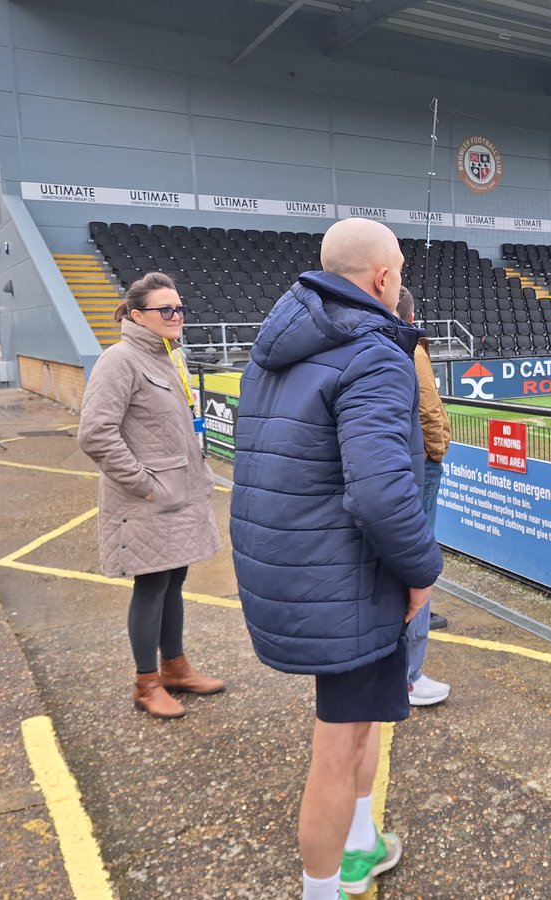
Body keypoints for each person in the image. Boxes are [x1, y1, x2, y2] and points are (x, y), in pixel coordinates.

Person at [230, 218, 442, 900]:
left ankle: (361, 843)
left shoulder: (279, 343)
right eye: (399, 269)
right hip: (342, 578)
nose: (400, 280)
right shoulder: (374, 351)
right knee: (337, 747)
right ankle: (322, 887)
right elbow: (381, 494)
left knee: (362, 721)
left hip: (292, 567)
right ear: (382, 277)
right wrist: (421, 572)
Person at [78, 272, 225, 720]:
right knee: (152, 585)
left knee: (174, 579)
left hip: (179, 495)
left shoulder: (169, 356)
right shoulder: (119, 360)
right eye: (165, 309)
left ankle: (175, 667)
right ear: (137, 316)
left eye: (179, 308)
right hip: (147, 499)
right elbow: (95, 434)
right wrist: (144, 483)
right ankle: (146, 683)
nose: (176, 315)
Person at [395, 286, 452, 707]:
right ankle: (409, 677)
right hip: (419, 466)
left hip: (400, 464)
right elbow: (429, 411)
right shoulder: (410, 348)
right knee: (418, 562)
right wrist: (438, 451)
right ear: (411, 316)